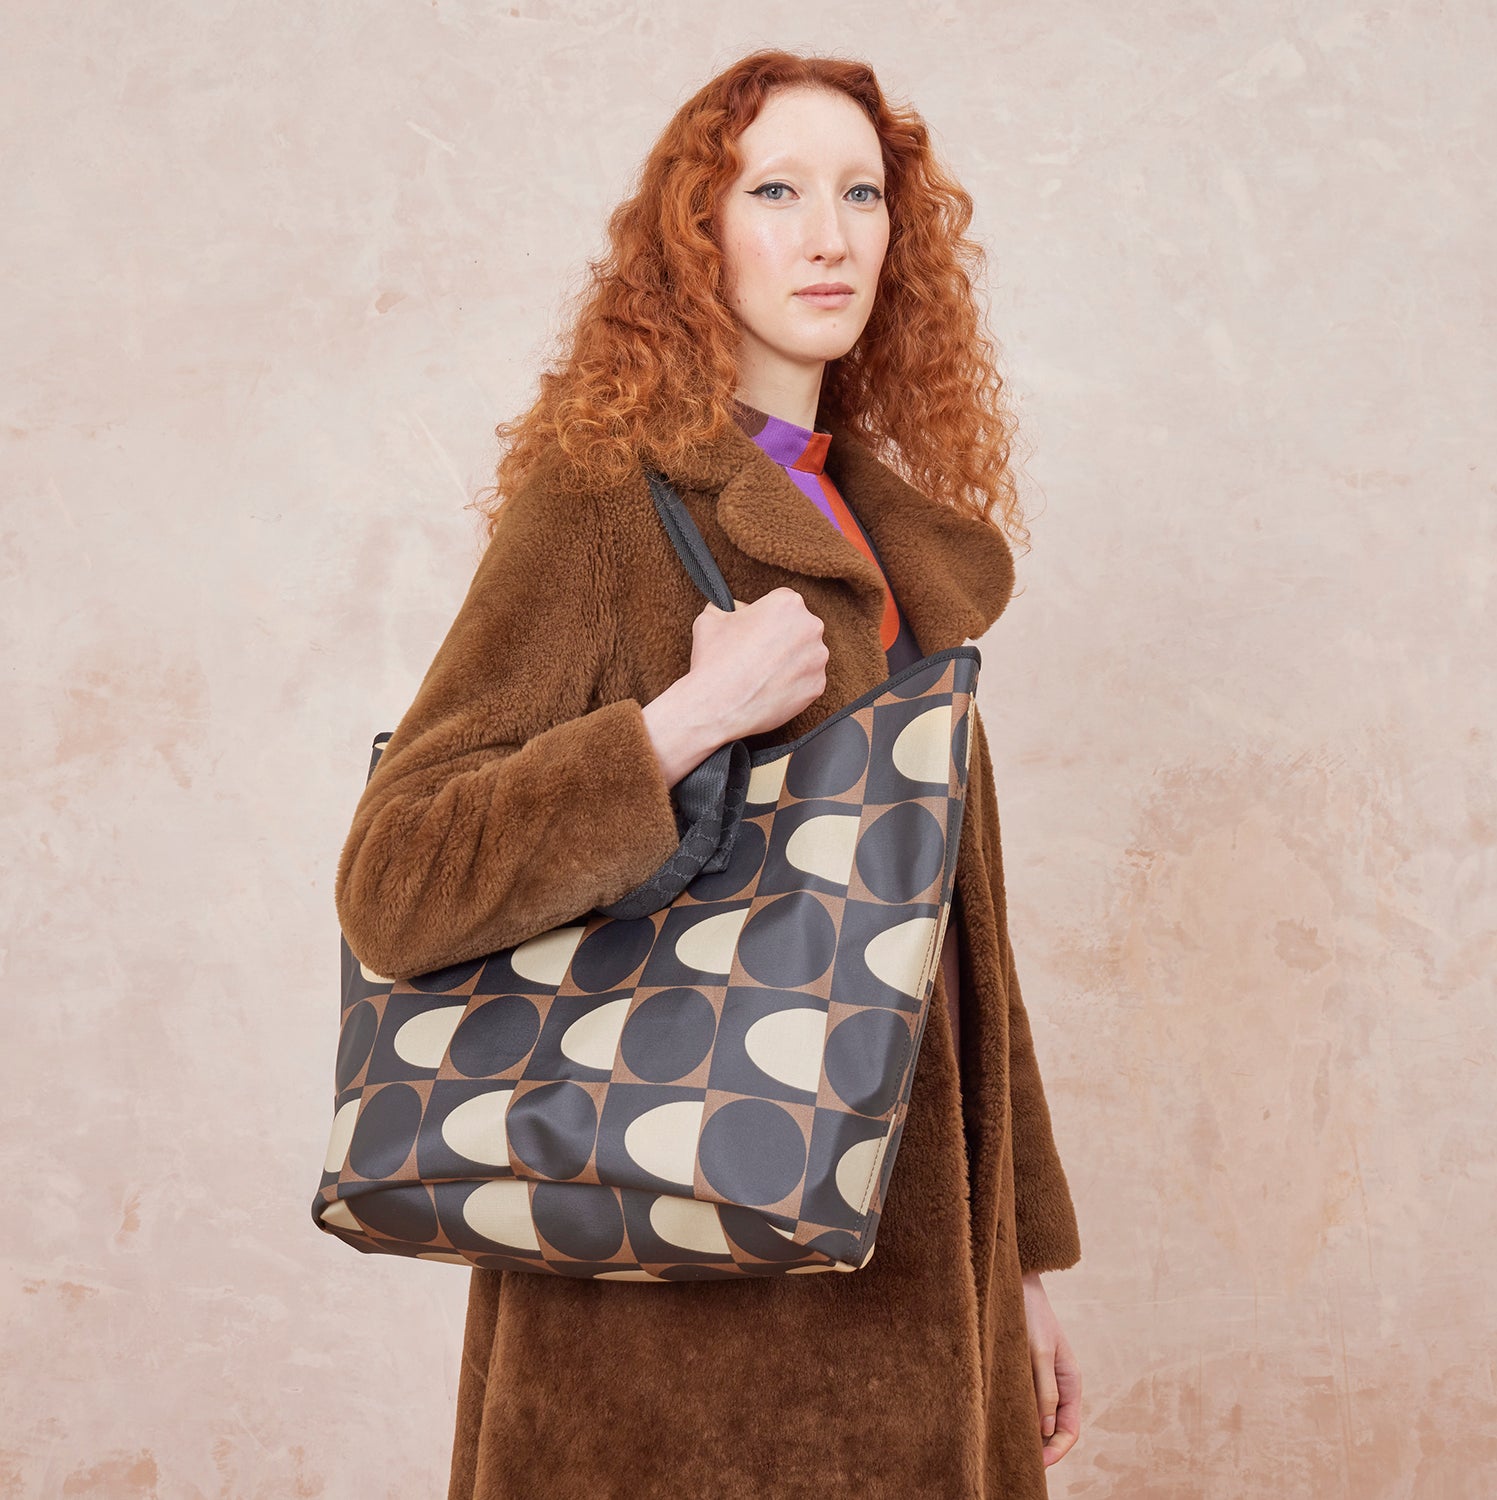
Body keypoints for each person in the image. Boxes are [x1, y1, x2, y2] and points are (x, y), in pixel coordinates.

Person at [335, 47, 1084, 1500]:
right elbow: (396, 880)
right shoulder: (603, 497)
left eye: (862, 194)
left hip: (925, 1297)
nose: (830, 234)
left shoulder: (875, 529)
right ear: (698, 232)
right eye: (777, 191)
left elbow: (960, 952)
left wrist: (1019, 1267)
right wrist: (682, 723)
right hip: (675, 1337)